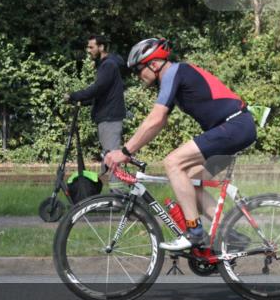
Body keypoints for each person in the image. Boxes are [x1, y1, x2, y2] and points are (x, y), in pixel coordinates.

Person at [103, 38, 257, 251]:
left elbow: (155, 119)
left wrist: (125, 151)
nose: (138, 76)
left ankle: (194, 232)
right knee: (191, 181)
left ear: (154, 64)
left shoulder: (174, 73)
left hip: (234, 127)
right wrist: (130, 150)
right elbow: (158, 123)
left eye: (139, 70)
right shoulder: (174, 77)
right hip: (236, 129)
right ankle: (230, 236)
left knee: (173, 163)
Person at [64, 34, 126, 173]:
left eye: (91, 47)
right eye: (87, 47)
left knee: (112, 161)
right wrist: (80, 101)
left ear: (101, 47)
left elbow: (97, 88)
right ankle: (115, 193)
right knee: (108, 160)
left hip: (110, 119)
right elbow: (101, 94)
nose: (88, 50)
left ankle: (118, 193)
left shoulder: (108, 65)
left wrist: (73, 95)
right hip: (107, 118)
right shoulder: (107, 65)